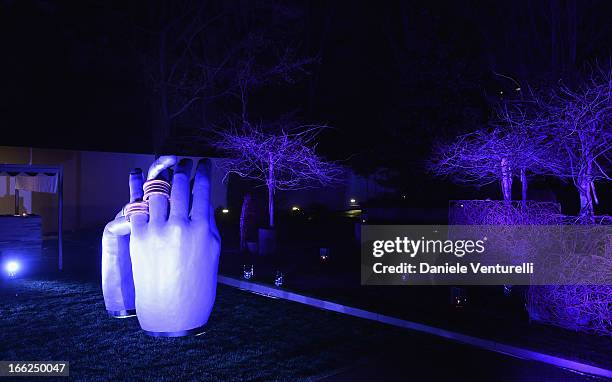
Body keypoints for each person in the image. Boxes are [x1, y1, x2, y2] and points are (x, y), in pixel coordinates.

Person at [102, 156, 221, 336]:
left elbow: (113, 232)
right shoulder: (195, 216)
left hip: (166, 322)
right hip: (192, 322)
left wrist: (119, 303)